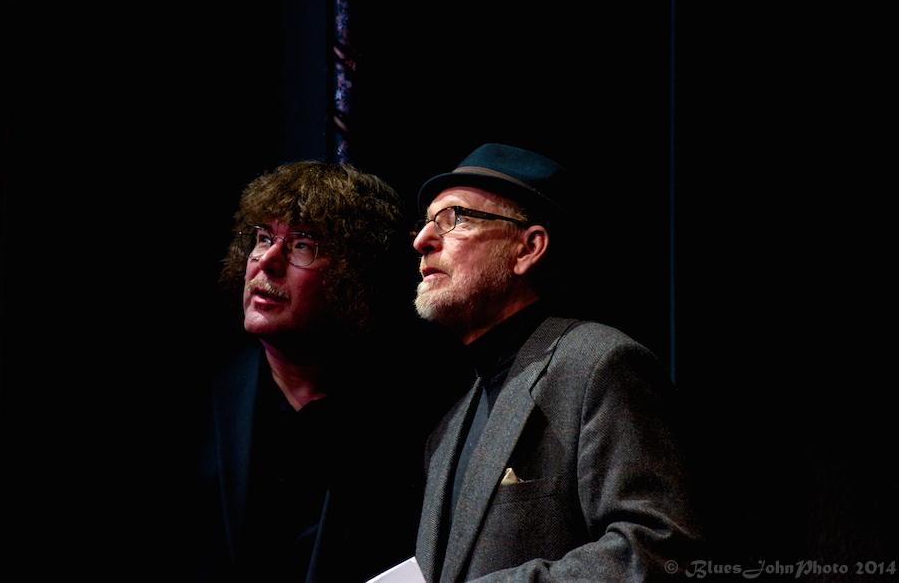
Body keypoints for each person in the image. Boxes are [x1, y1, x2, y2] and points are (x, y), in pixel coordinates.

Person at [410, 143, 708, 582]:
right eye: (426, 223)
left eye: (455, 218)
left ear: (528, 248)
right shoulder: (447, 428)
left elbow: (663, 549)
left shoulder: (598, 364)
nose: (422, 240)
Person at [180, 160, 460, 583]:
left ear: (353, 279)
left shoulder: (420, 418)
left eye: (301, 246)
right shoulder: (189, 396)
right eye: (262, 238)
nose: (266, 262)